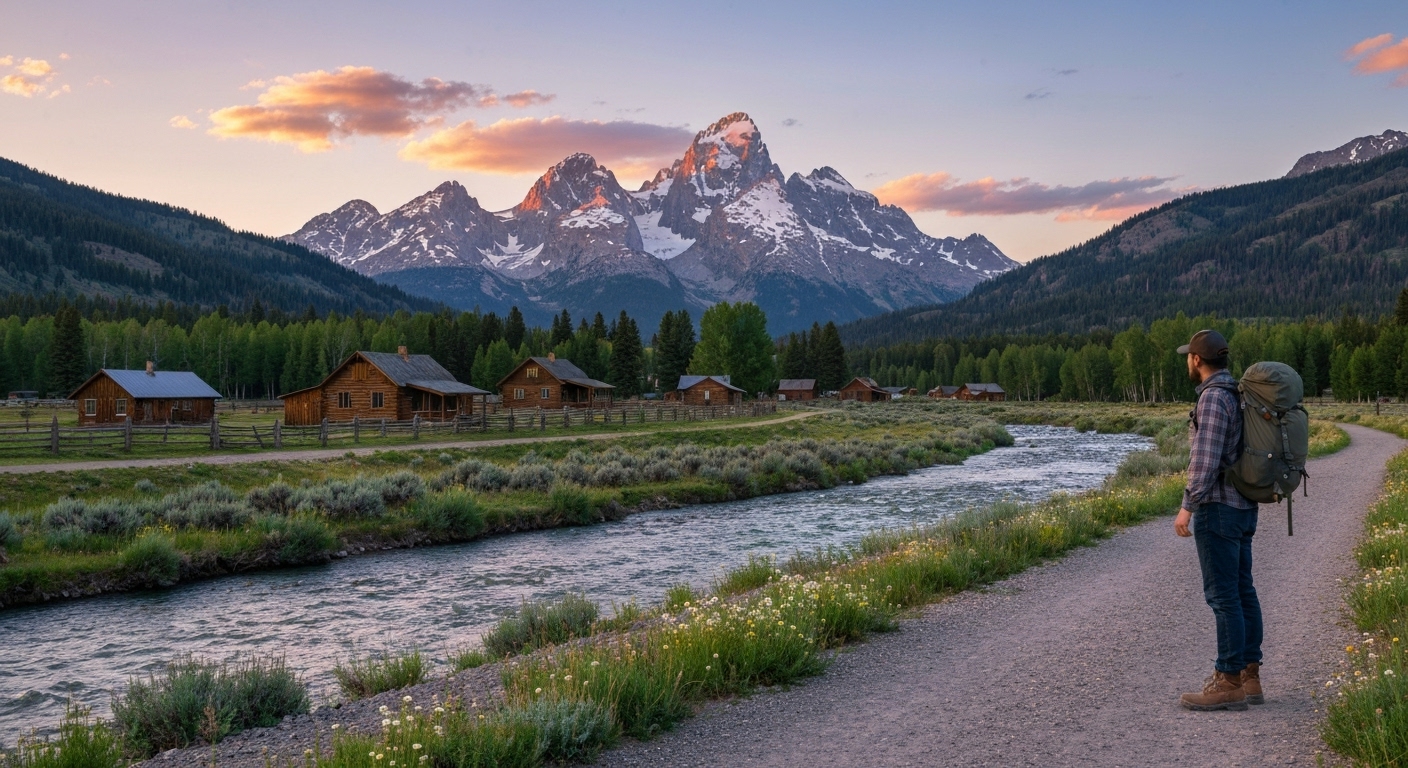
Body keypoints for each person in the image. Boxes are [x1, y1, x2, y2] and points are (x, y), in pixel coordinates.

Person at [1174, 329, 1262, 712]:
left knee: (1223, 596)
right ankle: (1250, 677)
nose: (1187, 362)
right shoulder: (1237, 394)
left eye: (1187, 357)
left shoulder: (1212, 398)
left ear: (1197, 360)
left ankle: (1227, 681)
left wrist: (1187, 505)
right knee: (1243, 591)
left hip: (1219, 508)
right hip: (1244, 505)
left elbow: (1205, 460)